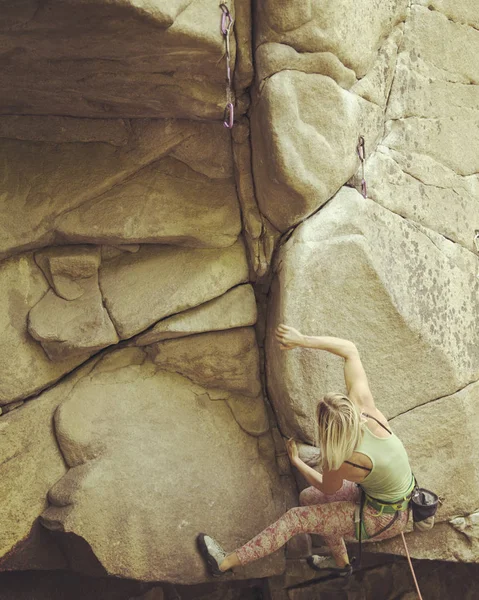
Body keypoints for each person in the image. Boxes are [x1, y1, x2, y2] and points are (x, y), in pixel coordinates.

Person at [197, 324, 415, 578]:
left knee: (295, 519)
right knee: (308, 498)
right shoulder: (366, 408)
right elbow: (349, 350)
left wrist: (298, 462)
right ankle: (342, 563)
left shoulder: (345, 459)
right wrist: (301, 340)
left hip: (380, 517)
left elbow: (328, 487)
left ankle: (224, 563)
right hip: (389, 498)